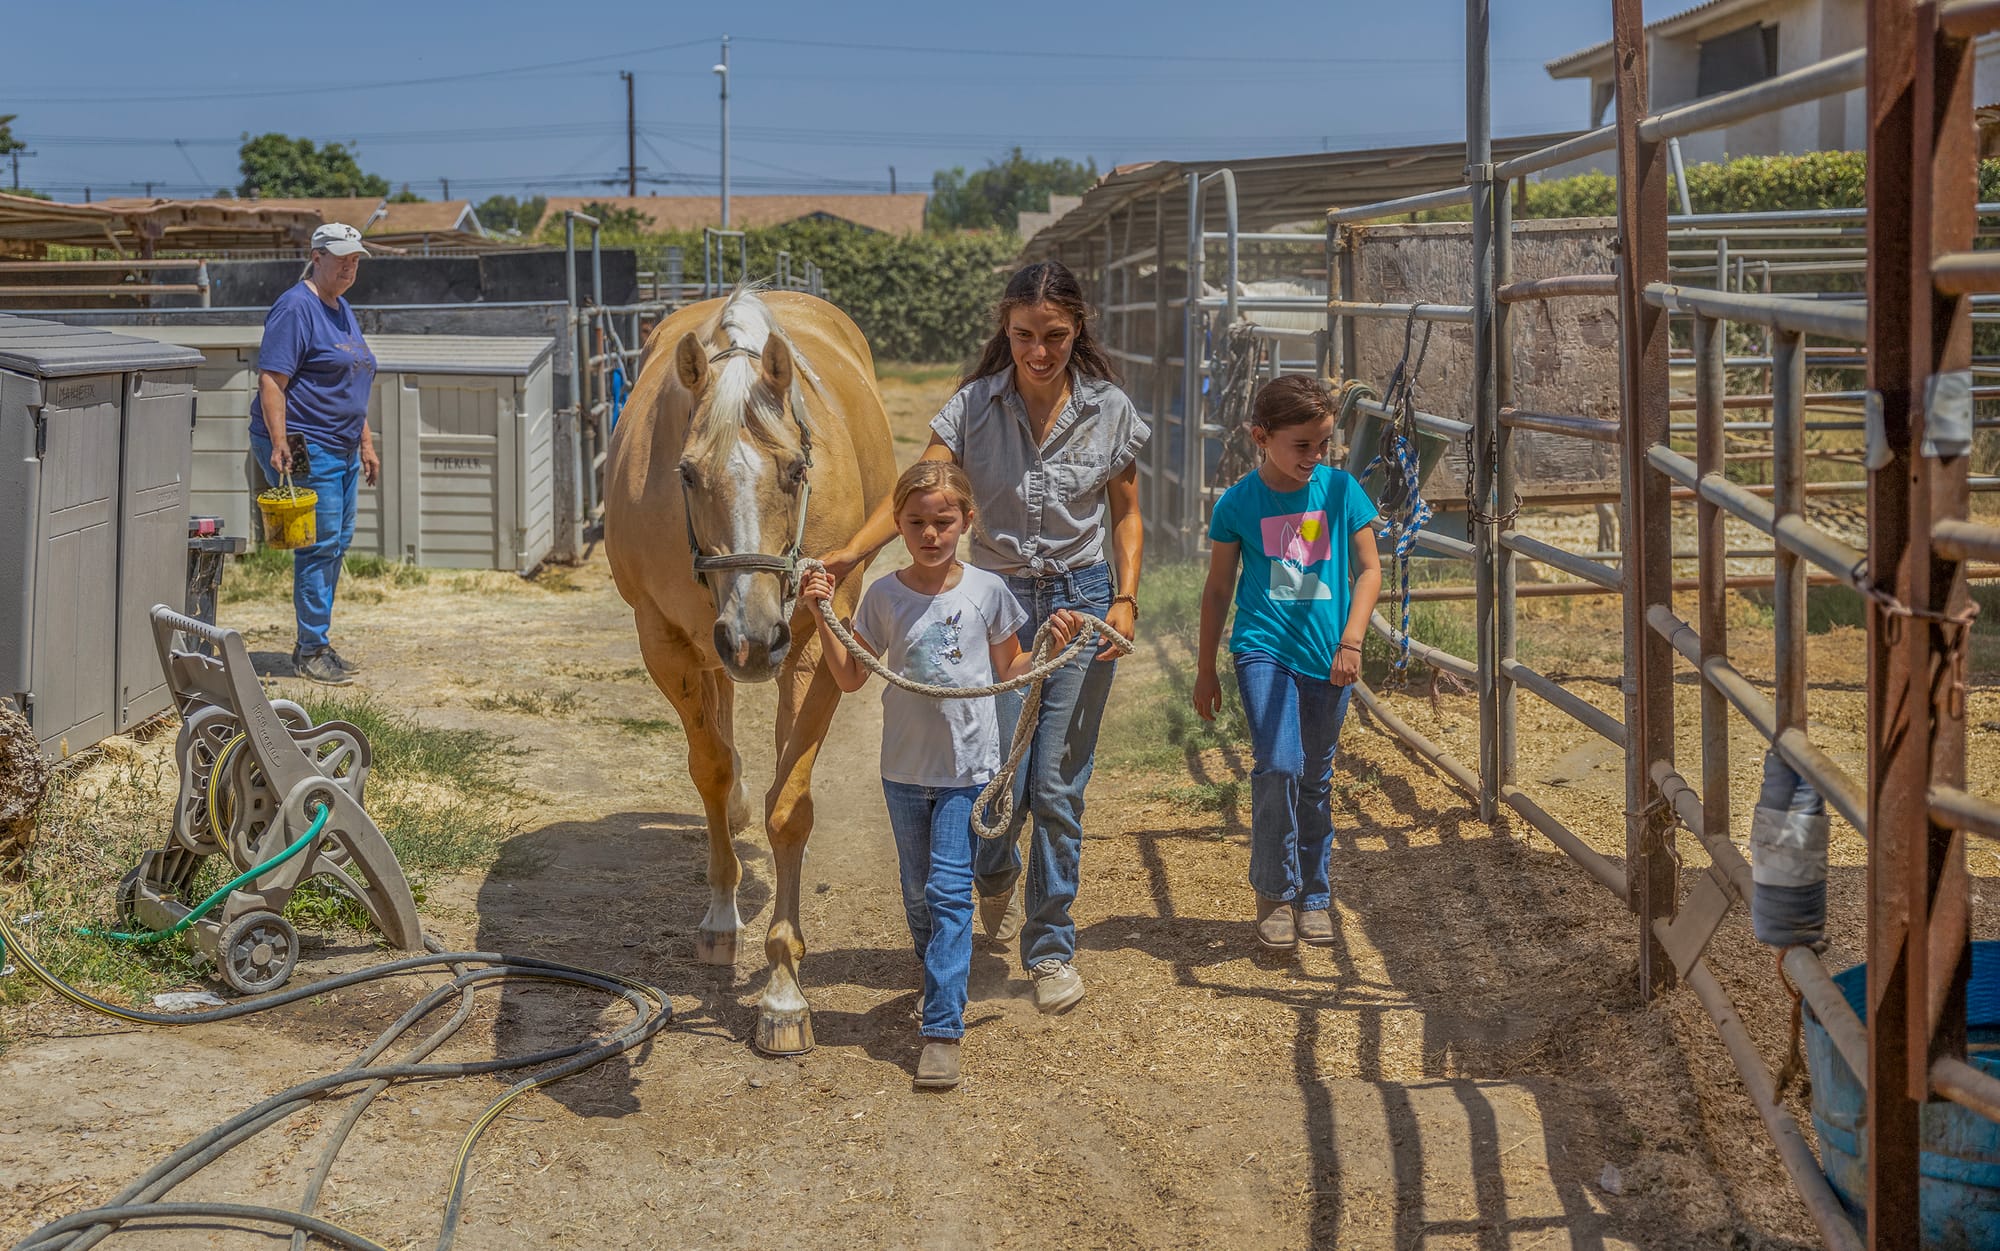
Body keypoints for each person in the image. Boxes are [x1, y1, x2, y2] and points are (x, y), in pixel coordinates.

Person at [822, 260, 1146, 1014]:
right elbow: (915, 491)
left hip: (1080, 600)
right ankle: (995, 869)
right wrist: (851, 554)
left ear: (1077, 332)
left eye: (1056, 337)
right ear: (1007, 329)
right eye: (1026, 335)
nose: (1040, 352)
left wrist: (1126, 598)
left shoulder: (1109, 410)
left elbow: (1126, 512)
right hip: (994, 604)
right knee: (995, 780)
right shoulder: (971, 408)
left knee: (1058, 785)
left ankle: (1051, 943)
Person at [802, 461, 1081, 1089]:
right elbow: (851, 677)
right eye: (916, 522)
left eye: (943, 521)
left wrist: (1055, 640)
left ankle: (941, 1029)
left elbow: (1013, 670)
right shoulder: (883, 596)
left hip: (967, 771)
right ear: (899, 524)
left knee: (950, 892)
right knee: (918, 895)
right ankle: (941, 975)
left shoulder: (986, 591)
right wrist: (823, 614)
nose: (931, 534)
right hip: (903, 771)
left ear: (967, 521)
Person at [1192, 376, 1382, 952]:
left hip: (1328, 655)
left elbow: (1369, 570)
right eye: (1302, 445)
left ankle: (1316, 895)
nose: (1315, 456)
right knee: (1278, 764)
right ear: (1261, 437)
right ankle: (1275, 892)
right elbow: (1220, 588)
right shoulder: (1238, 503)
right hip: (1263, 648)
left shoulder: (1342, 491)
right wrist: (1205, 667)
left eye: (1323, 443)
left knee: (1316, 779)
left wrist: (1352, 641)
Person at [248, 222, 381, 687]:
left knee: (337, 541)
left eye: (356, 258)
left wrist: (365, 440)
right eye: (342, 256)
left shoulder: (341, 307)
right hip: (307, 441)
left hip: (342, 444)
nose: (350, 265)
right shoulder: (296, 307)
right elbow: (271, 380)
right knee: (318, 543)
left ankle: (318, 640)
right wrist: (280, 441)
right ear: (316, 255)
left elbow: (351, 380)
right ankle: (310, 649)